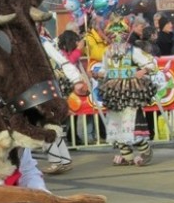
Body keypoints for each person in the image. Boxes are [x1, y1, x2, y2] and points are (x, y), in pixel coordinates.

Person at [94, 17, 157, 166]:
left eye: (120, 33)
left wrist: (143, 70)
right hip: (114, 91)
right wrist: (98, 74)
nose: (116, 37)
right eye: (113, 34)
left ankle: (146, 152)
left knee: (131, 121)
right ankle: (127, 156)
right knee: (116, 122)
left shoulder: (133, 51)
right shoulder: (107, 52)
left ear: (125, 35)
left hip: (130, 91)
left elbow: (151, 64)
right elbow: (104, 69)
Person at [40, 30, 88, 174]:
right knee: (53, 125)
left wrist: (76, 79)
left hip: (45, 87)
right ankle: (64, 160)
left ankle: (56, 162)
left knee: (47, 124)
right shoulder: (42, 41)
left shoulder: (42, 42)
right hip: (46, 86)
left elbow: (63, 61)